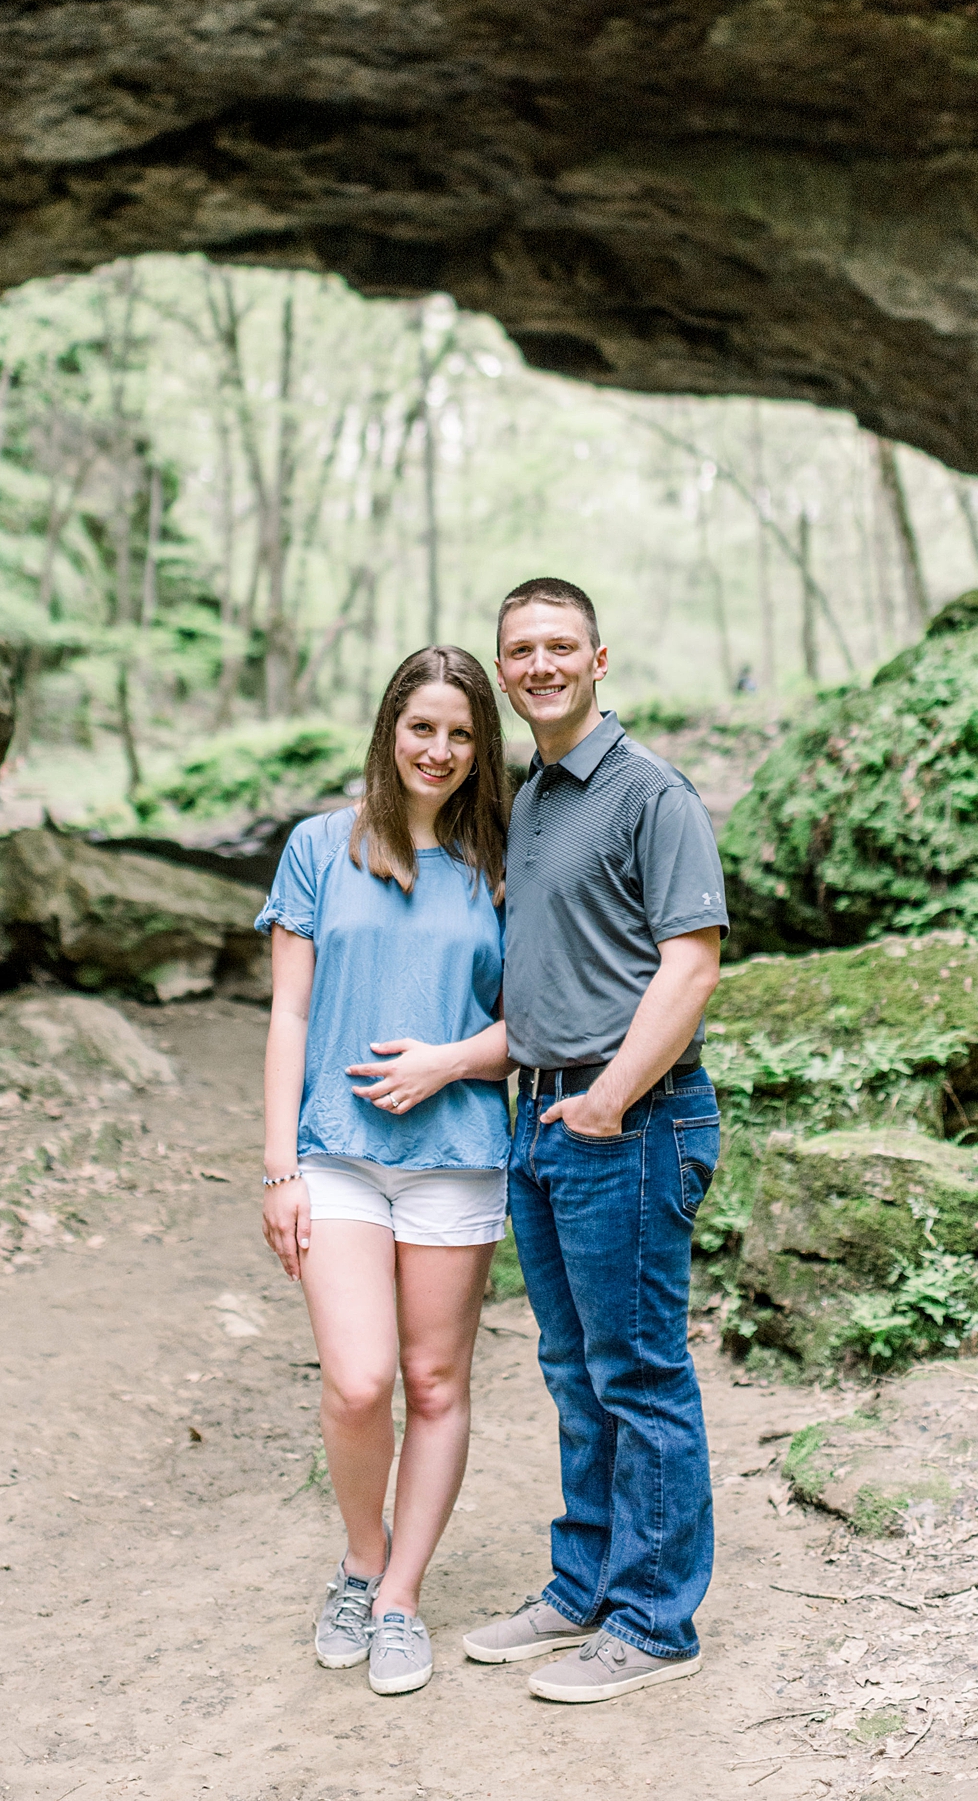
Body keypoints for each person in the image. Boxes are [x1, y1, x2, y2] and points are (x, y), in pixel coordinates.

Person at [465, 576, 727, 1705]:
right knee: (575, 1372)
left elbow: (692, 963)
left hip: (631, 1118)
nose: (540, 664)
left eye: (559, 645)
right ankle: (585, 1588)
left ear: (600, 658)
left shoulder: (647, 792)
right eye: (520, 649)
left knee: (639, 1373)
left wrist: (614, 1096)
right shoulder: (532, 796)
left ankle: (657, 1622)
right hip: (547, 1117)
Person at [257, 645, 512, 1698]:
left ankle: (402, 1596)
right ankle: (360, 1563)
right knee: (359, 1383)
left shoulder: (506, 862)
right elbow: (290, 1012)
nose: (439, 751)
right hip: (337, 1157)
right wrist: (279, 1166)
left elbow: (544, 1021)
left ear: (480, 747)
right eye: (423, 729)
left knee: (435, 1380)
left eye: (460, 735)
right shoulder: (321, 847)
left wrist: (450, 1060)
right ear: (389, 731)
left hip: (457, 1160)